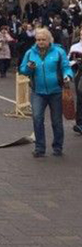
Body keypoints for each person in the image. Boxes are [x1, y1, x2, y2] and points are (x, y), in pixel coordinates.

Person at [20, 28, 73, 157]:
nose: (40, 42)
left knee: (56, 121)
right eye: (38, 40)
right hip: (38, 92)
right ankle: (39, 148)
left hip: (56, 91)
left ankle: (58, 147)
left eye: (43, 39)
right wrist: (28, 68)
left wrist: (68, 76)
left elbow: (66, 67)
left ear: (49, 40)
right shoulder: (30, 53)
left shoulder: (59, 52)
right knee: (37, 119)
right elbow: (22, 70)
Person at [69, 38, 82, 135]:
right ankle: (80, 123)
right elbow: (68, 61)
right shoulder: (75, 47)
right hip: (80, 75)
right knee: (80, 99)